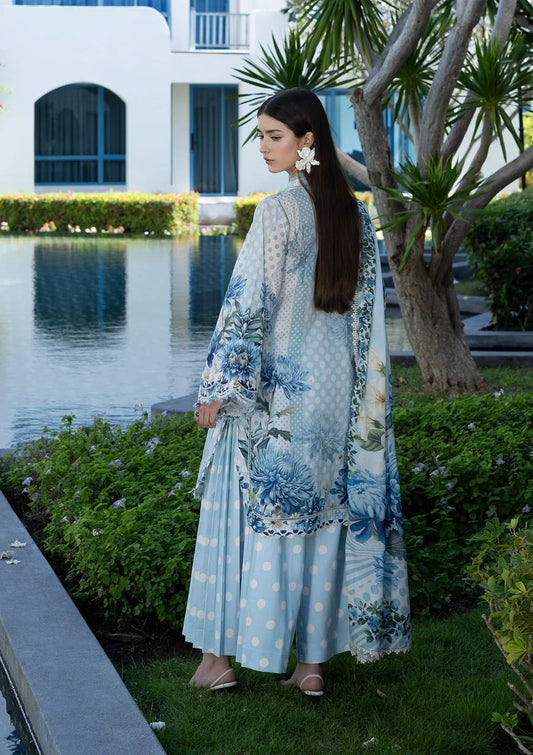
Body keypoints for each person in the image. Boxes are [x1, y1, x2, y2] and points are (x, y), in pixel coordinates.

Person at [183, 88, 411, 696]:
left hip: (278, 396)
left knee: (238, 514)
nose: (263, 147)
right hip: (337, 397)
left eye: (274, 136)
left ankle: (217, 662)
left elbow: (248, 303)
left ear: (307, 140)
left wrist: (220, 386)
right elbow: (364, 319)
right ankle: (310, 669)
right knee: (322, 521)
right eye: (260, 135)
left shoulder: (278, 211)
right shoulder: (354, 214)